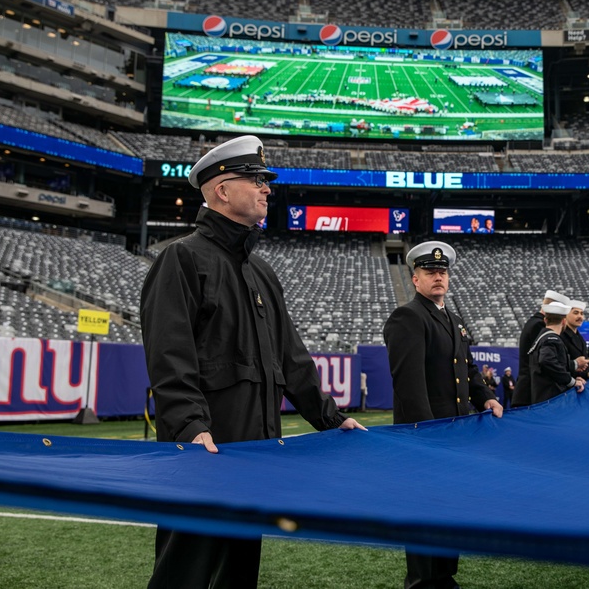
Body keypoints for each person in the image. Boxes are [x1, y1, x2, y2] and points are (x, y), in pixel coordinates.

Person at [140, 135, 365, 589]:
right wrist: (189, 428)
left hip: (258, 451)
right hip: (204, 451)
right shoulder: (181, 258)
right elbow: (170, 354)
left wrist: (330, 419)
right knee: (185, 571)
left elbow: (292, 358)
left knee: (239, 573)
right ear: (222, 189)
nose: (267, 188)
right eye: (257, 179)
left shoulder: (261, 271)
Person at [383, 240, 503, 589]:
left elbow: (467, 369)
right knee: (423, 510)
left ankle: (444, 576)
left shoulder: (452, 319)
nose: (438, 277)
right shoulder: (408, 316)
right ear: (415, 279)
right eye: (429, 272)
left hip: (456, 434)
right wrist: (428, 433)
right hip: (426, 436)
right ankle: (422, 581)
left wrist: (486, 398)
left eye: (442, 272)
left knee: (450, 508)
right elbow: (409, 384)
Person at [513, 290, 570, 407]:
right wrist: (571, 378)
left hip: (532, 391)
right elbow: (544, 360)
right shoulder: (540, 326)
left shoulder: (534, 322)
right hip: (534, 392)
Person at [530, 301, 586, 404]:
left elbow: (558, 362)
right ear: (564, 321)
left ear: (545, 320)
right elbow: (547, 361)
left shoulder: (542, 337)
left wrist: (574, 366)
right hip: (551, 398)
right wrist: (571, 381)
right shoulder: (552, 339)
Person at [559, 300, 589, 380]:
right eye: (576, 313)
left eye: (582, 313)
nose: (580, 316)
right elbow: (559, 366)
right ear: (565, 315)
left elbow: (585, 366)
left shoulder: (580, 338)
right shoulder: (560, 336)